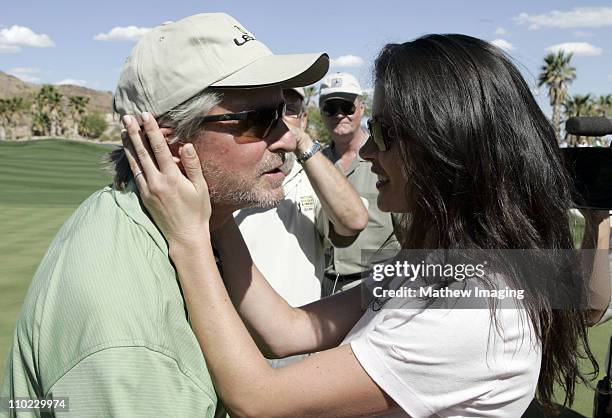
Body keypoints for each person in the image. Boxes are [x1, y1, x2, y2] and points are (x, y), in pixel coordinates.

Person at [122, 34, 610, 417]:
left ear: (448, 151)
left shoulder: (470, 315)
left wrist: (189, 240)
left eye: (388, 134)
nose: (371, 151)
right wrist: (221, 216)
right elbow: (288, 331)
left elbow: (259, 399)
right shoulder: (438, 271)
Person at [1, 12, 329, 416]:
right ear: (166, 141)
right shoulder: (130, 341)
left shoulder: (191, 222)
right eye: (258, 121)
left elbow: (285, 332)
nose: (288, 138)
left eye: (282, 113)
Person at [234, 87, 368, 309]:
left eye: (289, 110)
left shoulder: (312, 176)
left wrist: (303, 142)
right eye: (269, 111)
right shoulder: (231, 173)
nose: (278, 120)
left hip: (300, 331)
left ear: (304, 120)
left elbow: (353, 221)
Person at [318, 72, 400, 295]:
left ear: (361, 108)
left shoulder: (386, 157)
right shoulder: (315, 166)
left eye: (347, 107)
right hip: (326, 285)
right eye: (330, 108)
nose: (339, 115)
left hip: (380, 284)